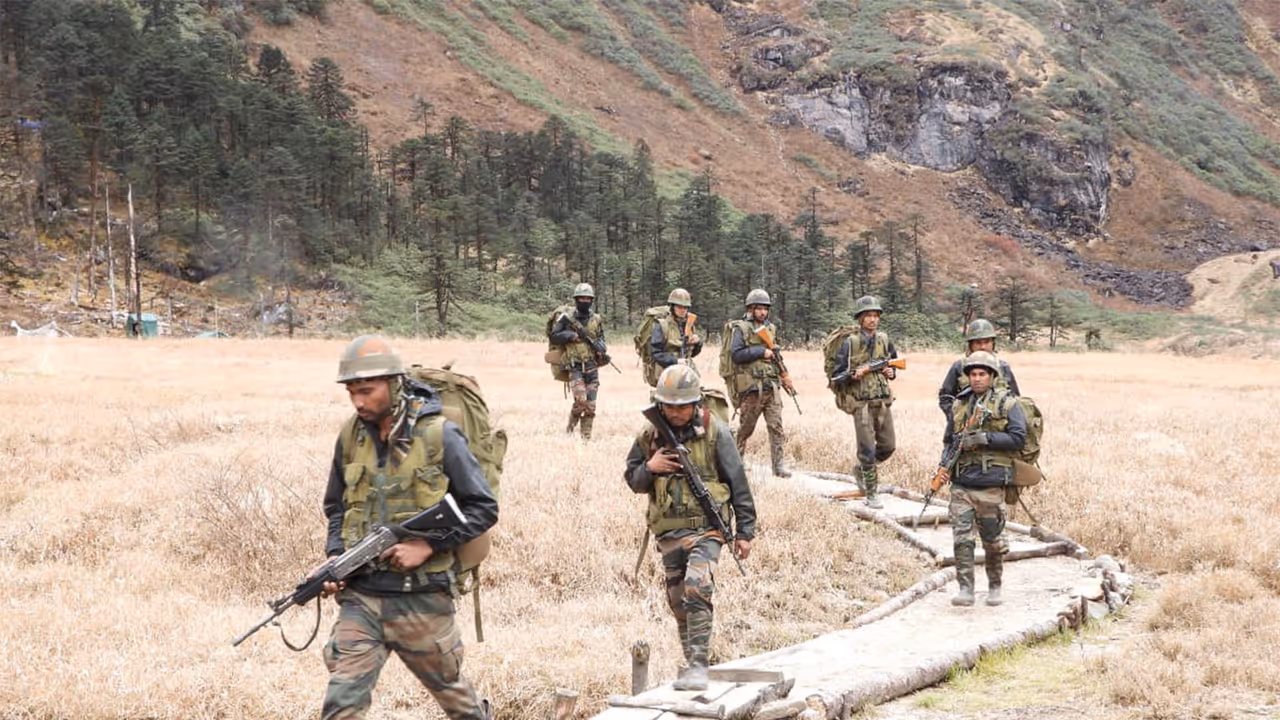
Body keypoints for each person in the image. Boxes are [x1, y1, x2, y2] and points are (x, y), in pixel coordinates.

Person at [318, 336, 498, 720]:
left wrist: (429, 546)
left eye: (366, 390)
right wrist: (336, 556)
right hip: (361, 599)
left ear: (394, 383)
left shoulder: (439, 435)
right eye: (352, 392)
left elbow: (482, 508)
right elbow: (336, 506)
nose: (358, 402)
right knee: (341, 706)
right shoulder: (351, 435)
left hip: (422, 598)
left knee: (458, 703)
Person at [624, 364, 756, 691]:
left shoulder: (716, 431)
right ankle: (694, 666)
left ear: (696, 404)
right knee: (678, 601)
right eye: (669, 406)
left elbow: (738, 483)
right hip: (669, 533)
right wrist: (651, 468)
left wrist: (744, 532)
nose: (676, 412)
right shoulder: (648, 435)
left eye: (683, 405)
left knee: (697, 587)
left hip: (707, 528)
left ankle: (698, 665)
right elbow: (633, 481)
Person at [941, 350, 1026, 608]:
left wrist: (985, 438)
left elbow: (1018, 438)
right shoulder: (959, 405)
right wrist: (943, 466)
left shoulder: (1007, 404)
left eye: (982, 374)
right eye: (973, 374)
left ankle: (995, 586)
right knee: (962, 540)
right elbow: (949, 441)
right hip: (962, 484)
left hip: (990, 484)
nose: (977, 379)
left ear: (991, 376)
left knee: (992, 541)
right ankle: (966, 589)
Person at [828, 295, 898, 508]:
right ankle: (871, 492)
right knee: (867, 449)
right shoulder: (851, 343)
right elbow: (836, 376)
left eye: (876, 315)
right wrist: (853, 375)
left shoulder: (884, 340)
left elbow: (894, 365)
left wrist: (889, 371)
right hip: (862, 404)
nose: (873, 319)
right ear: (860, 319)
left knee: (888, 446)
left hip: (883, 402)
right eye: (868, 315)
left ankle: (862, 470)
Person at [726, 288, 792, 477]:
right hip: (752, 388)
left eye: (766, 309)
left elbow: (776, 356)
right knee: (746, 428)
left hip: (771, 385)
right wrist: (760, 352)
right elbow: (736, 355)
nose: (763, 312)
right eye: (759, 308)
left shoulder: (770, 329)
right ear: (751, 308)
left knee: (776, 427)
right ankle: (736, 463)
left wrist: (785, 375)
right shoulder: (741, 329)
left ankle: (778, 467)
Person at [548, 283, 609, 440]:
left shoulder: (596, 319)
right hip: (575, 368)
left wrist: (601, 348)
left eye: (587, 298)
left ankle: (585, 438)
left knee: (591, 406)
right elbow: (554, 336)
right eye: (581, 298)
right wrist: (570, 336)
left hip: (592, 367)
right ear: (576, 299)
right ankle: (570, 428)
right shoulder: (566, 318)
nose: (584, 301)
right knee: (581, 402)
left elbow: (601, 339)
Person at [937, 318, 1021, 419]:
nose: (983, 347)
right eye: (978, 342)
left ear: (993, 343)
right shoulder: (959, 367)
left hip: (997, 425)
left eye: (987, 342)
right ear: (971, 345)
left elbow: (1015, 400)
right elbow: (945, 398)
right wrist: (957, 418)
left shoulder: (1002, 367)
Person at [648, 288, 703, 382]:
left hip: (686, 373)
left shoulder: (689, 324)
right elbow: (655, 353)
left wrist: (697, 343)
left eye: (685, 307)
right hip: (666, 374)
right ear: (672, 307)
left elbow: (692, 354)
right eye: (679, 307)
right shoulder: (662, 325)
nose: (683, 310)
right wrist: (675, 361)